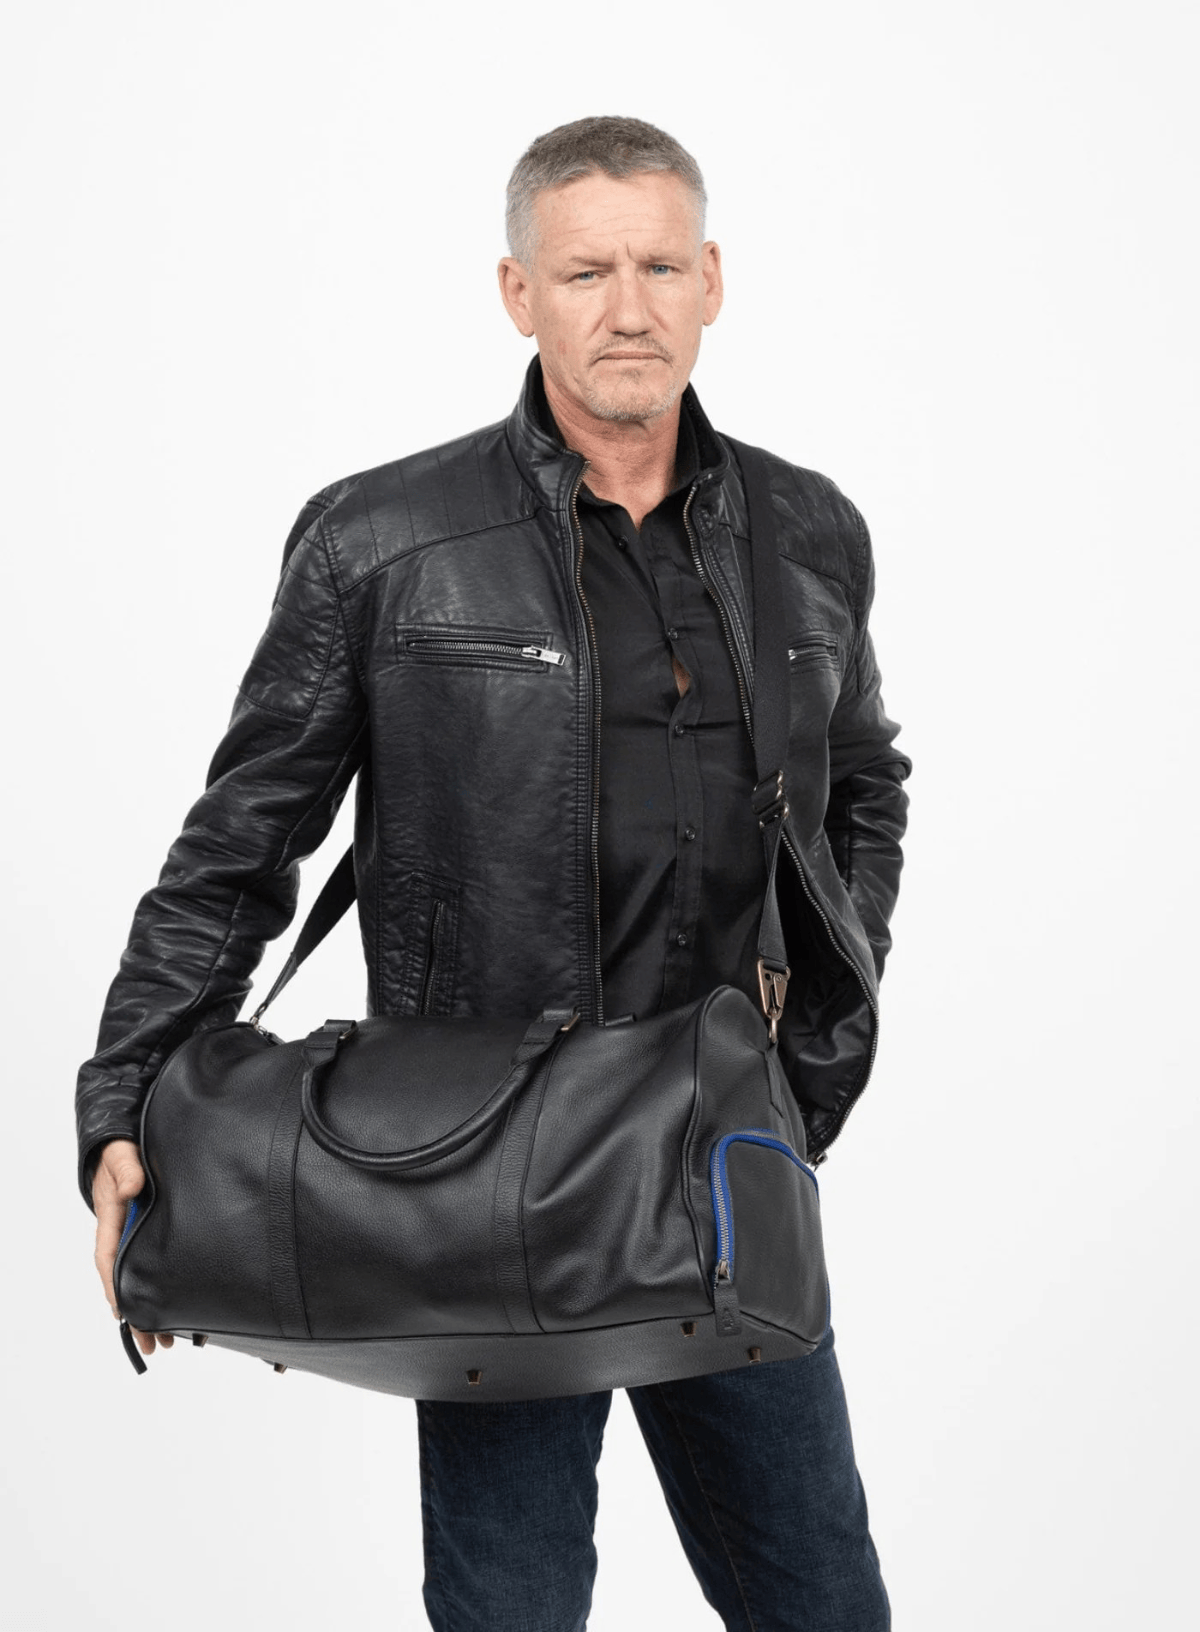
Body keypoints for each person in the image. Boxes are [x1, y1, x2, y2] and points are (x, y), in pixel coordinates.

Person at [79, 116, 911, 1630]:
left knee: (826, 1605)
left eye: (661, 263)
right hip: (486, 1174)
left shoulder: (809, 532)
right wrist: (123, 1102)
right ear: (517, 292)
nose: (629, 306)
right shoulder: (381, 541)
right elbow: (242, 842)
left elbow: (863, 781)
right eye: (584, 270)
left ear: (714, 279)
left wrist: (822, 1064)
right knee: (509, 1611)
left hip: (730, 1161)